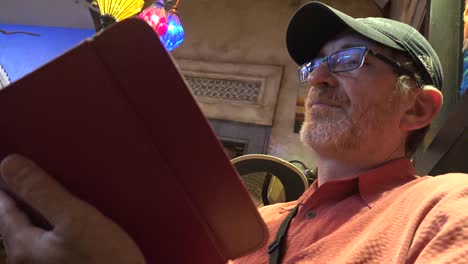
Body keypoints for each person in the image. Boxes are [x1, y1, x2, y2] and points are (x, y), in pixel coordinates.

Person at [0, 1, 466, 263]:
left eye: (348, 60)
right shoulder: (251, 225)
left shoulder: (444, 208)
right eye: (315, 65)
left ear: (418, 107)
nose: (319, 78)